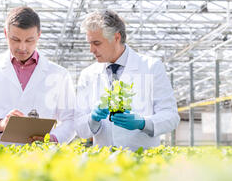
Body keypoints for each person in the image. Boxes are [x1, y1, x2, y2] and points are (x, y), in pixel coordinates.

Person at [0, 6, 75, 145]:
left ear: (39, 35)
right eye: (15, 40)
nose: (22, 47)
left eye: (29, 40)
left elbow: (71, 120)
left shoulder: (59, 74)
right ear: (6, 33)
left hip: (38, 159)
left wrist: (52, 138)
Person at [75, 10, 179, 151]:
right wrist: (92, 119)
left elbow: (171, 117)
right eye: (90, 43)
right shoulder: (88, 75)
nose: (91, 49)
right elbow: (80, 128)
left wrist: (143, 123)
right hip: (103, 163)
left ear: (116, 37)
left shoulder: (151, 67)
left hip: (142, 161)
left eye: (97, 43)